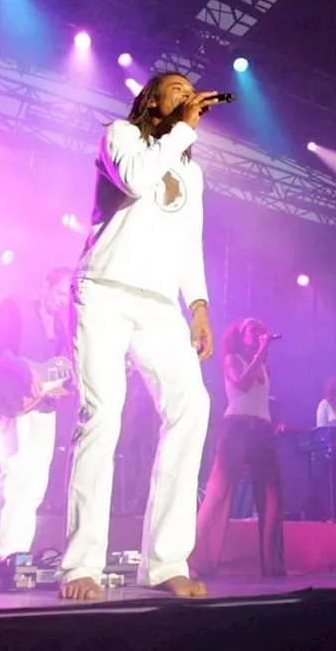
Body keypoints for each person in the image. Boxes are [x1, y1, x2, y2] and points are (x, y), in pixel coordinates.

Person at [59, 72, 223, 600]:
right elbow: (133, 178)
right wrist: (182, 132)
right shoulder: (120, 136)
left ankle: (165, 561)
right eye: (175, 87)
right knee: (102, 415)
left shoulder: (190, 172)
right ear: (152, 99)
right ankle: (80, 564)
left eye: (189, 89)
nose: (186, 93)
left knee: (191, 407)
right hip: (103, 290)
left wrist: (198, 305)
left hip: (159, 305)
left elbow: (189, 242)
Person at [0, 266, 72, 560]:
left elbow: (60, 367)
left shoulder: (62, 327)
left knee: (33, 480)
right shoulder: (15, 308)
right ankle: (11, 553)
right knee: (17, 471)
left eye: (68, 295)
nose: (64, 301)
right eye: (60, 293)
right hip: (10, 397)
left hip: (43, 405)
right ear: (44, 286)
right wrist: (24, 368)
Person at [192, 318, 285, 578]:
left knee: (273, 496)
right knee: (220, 493)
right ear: (240, 335)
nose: (260, 333)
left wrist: (261, 355)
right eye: (254, 329)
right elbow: (242, 384)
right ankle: (199, 562)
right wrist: (259, 353)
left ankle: (273, 567)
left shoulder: (264, 365)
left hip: (262, 430)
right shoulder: (232, 359)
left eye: (261, 329)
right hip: (237, 428)